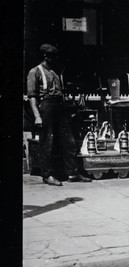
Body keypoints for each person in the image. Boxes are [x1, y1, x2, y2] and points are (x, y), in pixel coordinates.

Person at [26, 44, 92, 186]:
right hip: (45, 107)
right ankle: (47, 175)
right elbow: (32, 97)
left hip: (59, 108)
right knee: (47, 143)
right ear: (45, 57)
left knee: (69, 141)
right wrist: (37, 116)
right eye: (53, 57)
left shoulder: (56, 72)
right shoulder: (35, 72)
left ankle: (73, 173)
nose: (55, 59)